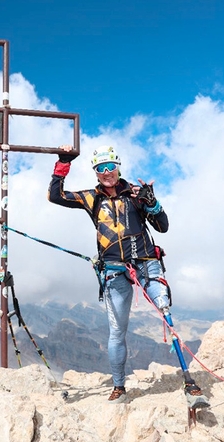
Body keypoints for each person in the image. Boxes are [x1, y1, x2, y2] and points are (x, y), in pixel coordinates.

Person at [48, 144, 210, 409]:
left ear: (118, 166)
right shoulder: (92, 198)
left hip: (146, 262)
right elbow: (56, 196)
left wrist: (152, 204)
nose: (106, 172)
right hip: (114, 269)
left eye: (110, 166)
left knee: (165, 312)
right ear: (96, 172)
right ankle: (119, 386)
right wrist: (63, 163)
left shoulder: (136, 195)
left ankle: (189, 383)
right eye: (100, 168)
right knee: (117, 331)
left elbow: (163, 227)